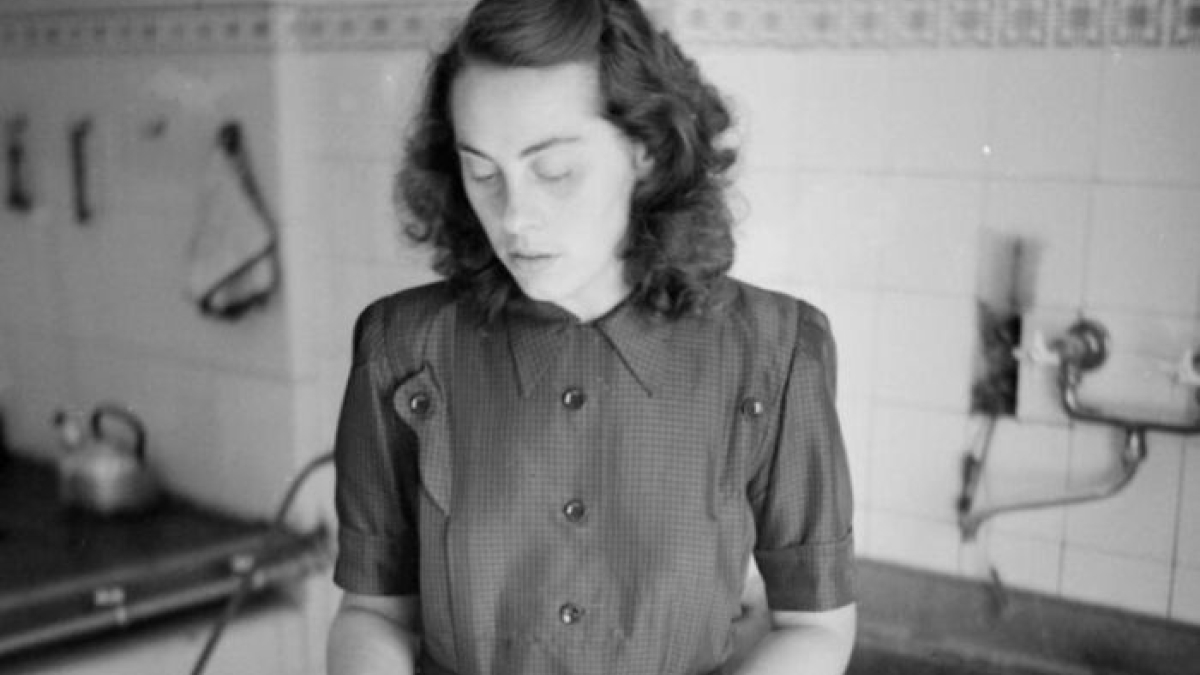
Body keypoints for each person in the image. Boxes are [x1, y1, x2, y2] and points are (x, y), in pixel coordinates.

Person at [326, 0, 857, 673]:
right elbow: (371, 612)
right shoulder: (401, 347)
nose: (515, 216)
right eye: (483, 172)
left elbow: (815, 627)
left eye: (553, 171)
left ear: (645, 149)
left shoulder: (776, 351)